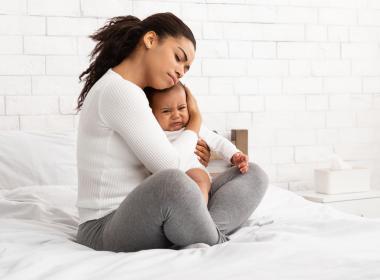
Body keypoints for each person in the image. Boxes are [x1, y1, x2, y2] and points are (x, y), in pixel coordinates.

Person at [75, 12, 269, 253]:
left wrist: (194, 153)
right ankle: (214, 241)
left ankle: (196, 229)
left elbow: (171, 156)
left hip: (151, 214)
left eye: (186, 68)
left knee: (252, 175)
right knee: (173, 182)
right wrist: (194, 122)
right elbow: (169, 167)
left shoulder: (137, 93)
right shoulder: (119, 91)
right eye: (179, 58)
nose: (181, 71)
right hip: (105, 227)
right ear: (150, 40)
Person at [145, 82, 250, 204]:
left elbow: (217, 141)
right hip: (166, 179)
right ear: (151, 113)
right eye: (166, 111)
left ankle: (200, 213)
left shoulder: (194, 127)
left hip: (192, 170)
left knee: (198, 180)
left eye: (181, 108)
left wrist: (234, 155)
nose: (176, 115)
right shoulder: (153, 133)